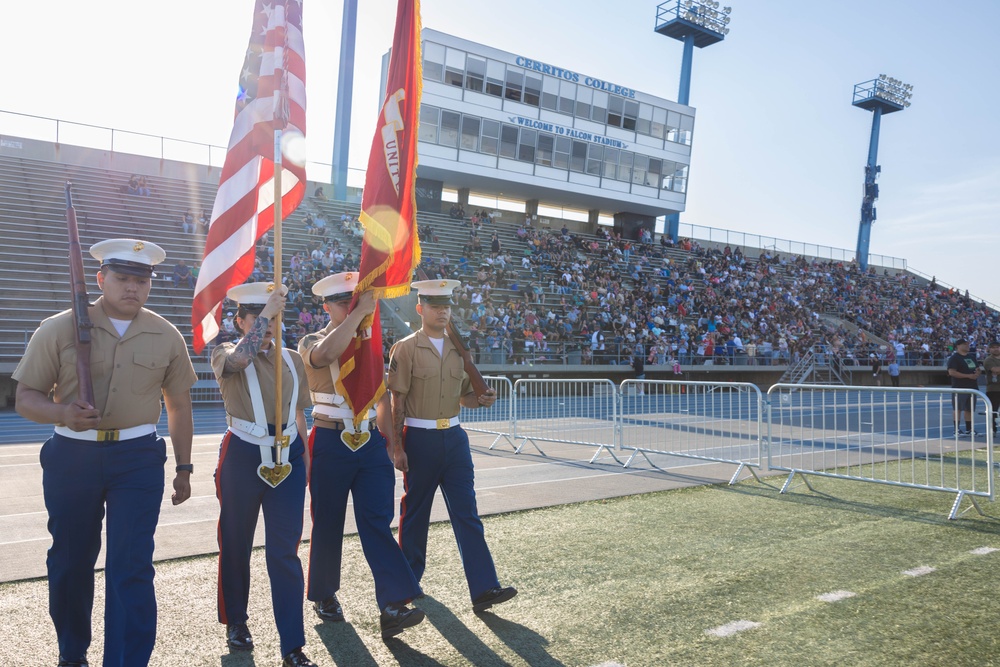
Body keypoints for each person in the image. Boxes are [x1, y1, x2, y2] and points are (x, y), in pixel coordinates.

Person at [13, 238, 196, 667]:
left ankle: (126, 660)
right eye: (122, 278)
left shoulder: (165, 334)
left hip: (137, 458)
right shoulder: (58, 328)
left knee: (131, 564)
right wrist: (61, 412)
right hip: (72, 458)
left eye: (140, 280)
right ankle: (72, 652)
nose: (132, 287)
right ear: (100, 278)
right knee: (71, 562)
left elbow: (179, 404)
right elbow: (25, 397)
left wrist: (184, 467)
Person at [299, 272, 424, 639]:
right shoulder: (311, 339)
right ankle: (323, 592)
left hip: (368, 441)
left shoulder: (370, 344)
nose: (352, 308)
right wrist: (357, 317)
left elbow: (382, 396)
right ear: (327, 306)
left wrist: (391, 443)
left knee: (376, 521)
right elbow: (324, 356)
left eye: (355, 302)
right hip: (330, 439)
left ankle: (392, 603)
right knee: (328, 522)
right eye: (344, 303)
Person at [387, 279, 517, 614]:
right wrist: (397, 448)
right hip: (420, 439)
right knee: (415, 517)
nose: (443, 311)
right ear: (420, 309)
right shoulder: (406, 348)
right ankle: (407, 587)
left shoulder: (460, 350)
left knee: (467, 515)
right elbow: (396, 400)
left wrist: (483, 399)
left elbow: (465, 397)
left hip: (455, 439)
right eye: (435, 306)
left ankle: (484, 588)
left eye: (447, 306)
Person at [212, 282, 316, 667]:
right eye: (257, 316)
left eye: (272, 315)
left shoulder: (292, 358)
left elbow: (300, 412)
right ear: (240, 321)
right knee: (236, 543)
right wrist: (268, 314)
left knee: (284, 552)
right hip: (242, 455)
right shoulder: (225, 350)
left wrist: (305, 462)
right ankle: (236, 620)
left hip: (288, 456)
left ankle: (293, 644)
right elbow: (239, 361)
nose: (268, 323)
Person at [946, 338, 980, 437]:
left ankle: (969, 429)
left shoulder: (971, 357)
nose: (967, 346)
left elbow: (977, 368)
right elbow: (952, 372)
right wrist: (968, 376)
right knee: (958, 408)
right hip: (960, 387)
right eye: (965, 344)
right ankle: (956, 429)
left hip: (972, 387)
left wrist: (977, 373)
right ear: (958, 346)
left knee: (969, 409)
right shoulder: (954, 358)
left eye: (968, 344)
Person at [982, 341, 1000, 436]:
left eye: (997, 347)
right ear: (989, 349)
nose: (996, 349)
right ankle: (992, 430)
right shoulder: (988, 360)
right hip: (994, 389)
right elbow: (994, 370)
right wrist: (997, 371)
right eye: (993, 347)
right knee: (993, 411)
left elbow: (997, 370)